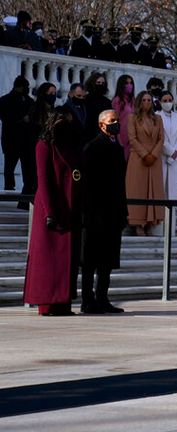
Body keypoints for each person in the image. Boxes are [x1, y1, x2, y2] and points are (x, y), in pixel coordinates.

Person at [23, 107, 83, 316]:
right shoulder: (43, 145)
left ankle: (63, 300)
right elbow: (44, 179)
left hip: (70, 206)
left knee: (67, 259)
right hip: (51, 207)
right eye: (62, 120)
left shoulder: (72, 146)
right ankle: (46, 303)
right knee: (49, 259)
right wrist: (49, 211)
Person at [80, 110, 127, 314]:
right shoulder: (92, 147)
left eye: (117, 120)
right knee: (91, 260)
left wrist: (123, 211)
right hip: (95, 213)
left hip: (113, 212)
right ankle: (88, 300)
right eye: (111, 121)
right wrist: (90, 212)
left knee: (107, 260)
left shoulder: (117, 148)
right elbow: (87, 184)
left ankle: (102, 297)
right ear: (101, 124)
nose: (116, 123)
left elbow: (120, 184)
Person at [125, 90, 165, 236]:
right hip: (138, 159)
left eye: (149, 100)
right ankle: (138, 223)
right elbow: (132, 138)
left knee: (154, 191)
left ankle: (150, 222)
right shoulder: (132, 118)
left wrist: (153, 155)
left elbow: (161, 138)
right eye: (144, 100)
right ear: (139, 102)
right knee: (137, 190)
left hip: (154, 160)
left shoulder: (158, 119)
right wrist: (144, 154)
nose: (147, 103)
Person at [0, 76, 33, 191]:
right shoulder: (5, 100)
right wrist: (20, 119)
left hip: (26, 140)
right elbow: (4, 118)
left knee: (27, 167)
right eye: (25, 87)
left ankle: (27, 187)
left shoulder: (29, 100)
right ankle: (9, 187)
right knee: (9, 166)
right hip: (11, 139)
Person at [158, 91, 177, 200]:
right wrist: (170, 151)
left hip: (175, 158)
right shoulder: (156, 116)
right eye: (165, 101)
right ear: (160, 102)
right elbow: (160, 138)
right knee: (161, 188)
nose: (168, 103)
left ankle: (172, 217)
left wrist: (174, 154)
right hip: (161, 156)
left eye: (170, 100)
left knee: (174, 192)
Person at [111, 74, 135, 160]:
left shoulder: (133, 101)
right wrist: (118, 137)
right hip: (122, 135)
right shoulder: (118, 100)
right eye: (126, 83)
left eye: (131, 83)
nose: (129, 85)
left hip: (132, 136)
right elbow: (115, 120)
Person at [84, 73, 112, 141]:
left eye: (103, 83)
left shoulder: (107, 102)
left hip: (103, 136)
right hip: (88, 135)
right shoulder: (85, 99)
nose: (100, 85)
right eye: (98, 82)